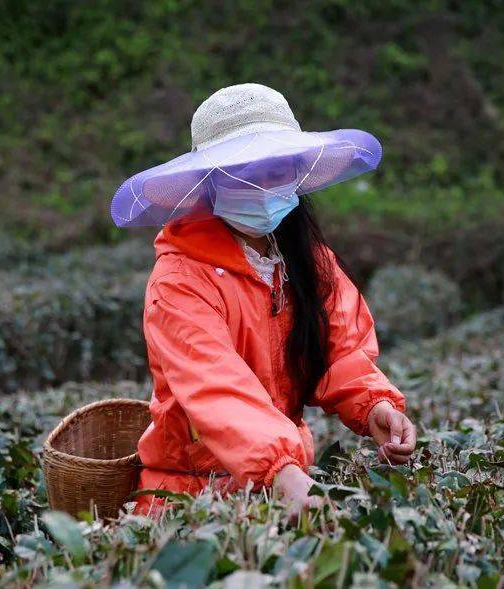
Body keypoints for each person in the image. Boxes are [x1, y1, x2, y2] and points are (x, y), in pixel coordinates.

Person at [111, 84, 416, 515]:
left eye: (280, 167)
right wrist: (280, 468)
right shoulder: (179, 281)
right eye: (249, 169)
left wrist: (375, 406)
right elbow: (215, 386)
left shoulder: (305, 259)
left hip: (286, 484)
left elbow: (341, 348)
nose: (268, 183)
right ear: (211, 179)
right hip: (192, 498)